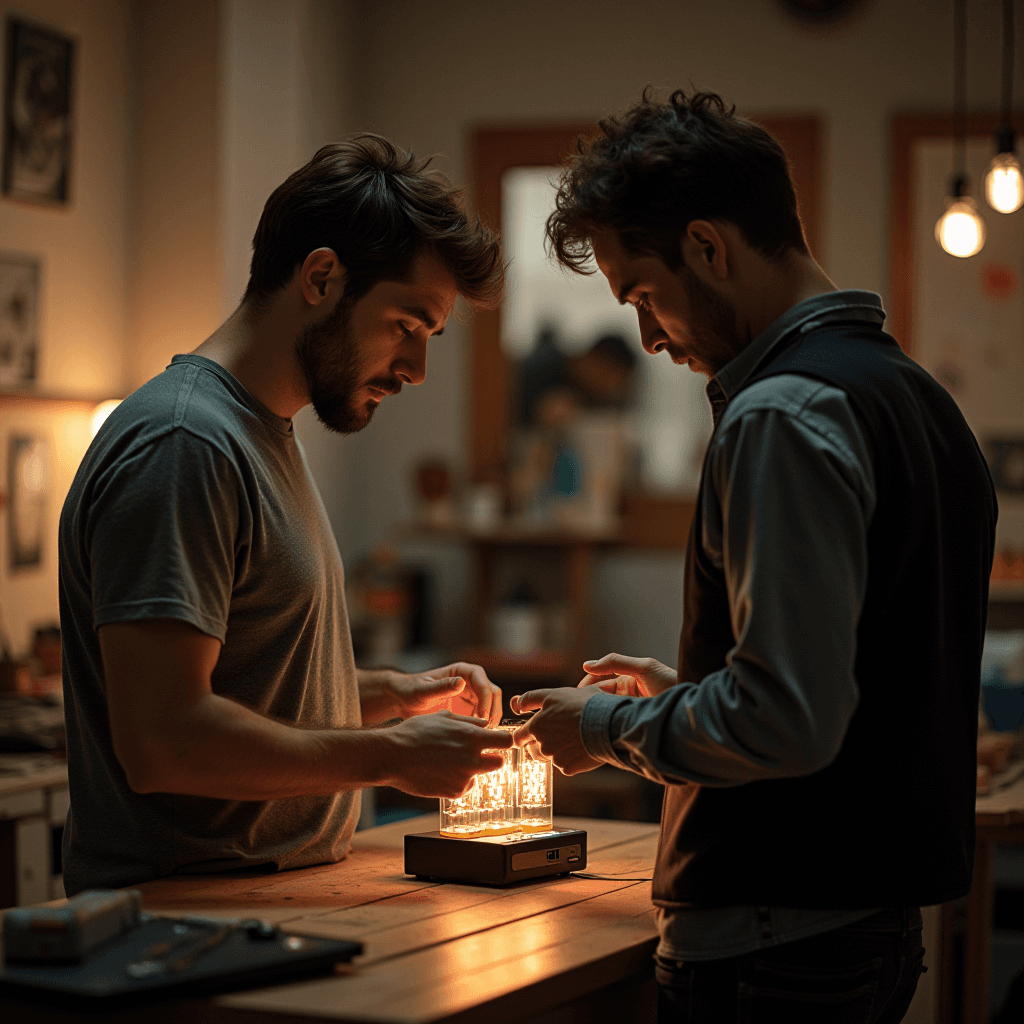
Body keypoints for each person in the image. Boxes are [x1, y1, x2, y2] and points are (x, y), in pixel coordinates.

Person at [511, 90, 997, 1022]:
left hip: (776, 946)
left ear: (707, 246)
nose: (649, 337)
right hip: (867, 925)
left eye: (643, 295)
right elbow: (859, 681)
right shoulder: (920, 401)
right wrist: (688, 689)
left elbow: (785, 721)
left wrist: (607, 728)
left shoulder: (783, 412)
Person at [59, 135, 512, 895]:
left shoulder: (260, 433)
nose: (416, 369)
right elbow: (164, 739)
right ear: (322, 277)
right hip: (186, 923)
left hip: (275, 898)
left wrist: (389, 697)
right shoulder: (184, 443)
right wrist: (393, 754)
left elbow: (252, 693)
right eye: (407, 325)